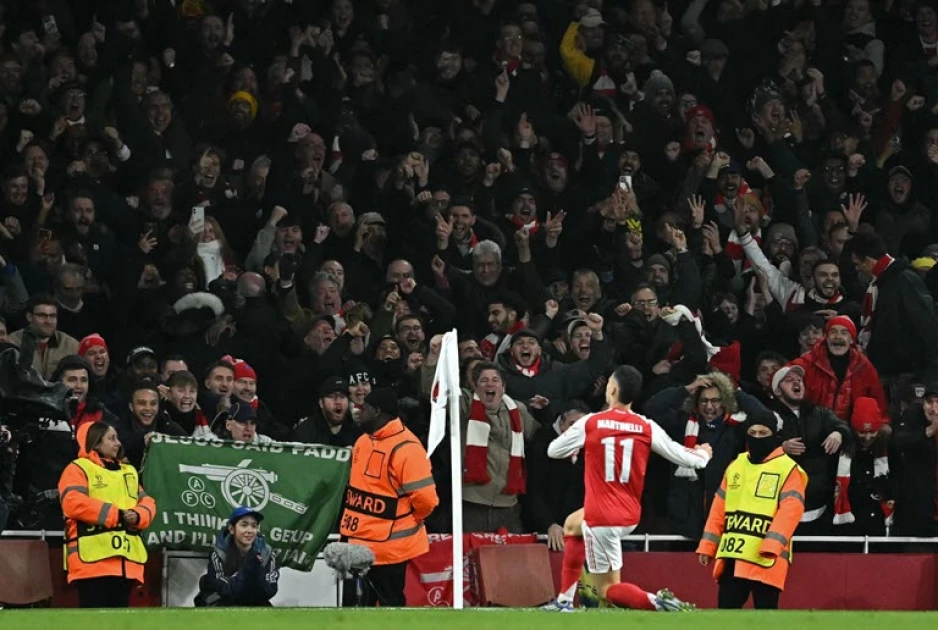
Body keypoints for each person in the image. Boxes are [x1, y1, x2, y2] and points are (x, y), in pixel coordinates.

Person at [542, 365, 713, 611]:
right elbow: (686, 458)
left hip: (601, 518)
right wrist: (703, 453)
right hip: (630, 514)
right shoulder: (646, 426)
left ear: (611, 389)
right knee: (571, 524)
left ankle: (657, 601)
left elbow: (553, 451)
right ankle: (564, 601)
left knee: (606, 591)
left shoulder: (592, 422)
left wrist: (584, 446)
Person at [696, 412, 807, 609]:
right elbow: (718, 509)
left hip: (765, 558)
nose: (756, 437)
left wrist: (772, 546)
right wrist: (707, 546)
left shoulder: (788, 469)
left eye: (763, 433)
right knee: (725, 619)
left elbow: (791, 511)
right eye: (752, 432)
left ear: (774, 435)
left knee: (765, 620)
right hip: (733, 556)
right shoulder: (736, 465)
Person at [339, 388, 439, 607]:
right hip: (357, 543)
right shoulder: (363, 441)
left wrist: (410, 519)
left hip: (389, 550)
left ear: (378, 412)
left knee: (390, 608)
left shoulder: (407, 448)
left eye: (363, 407)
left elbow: (427, 500)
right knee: (354, 610)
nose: (357, 410)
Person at [58, 422, 157, 607]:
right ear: (95, 443)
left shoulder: (129, 471)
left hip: (126, 563)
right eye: (111, 438)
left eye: (117, 438)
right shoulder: (78, 468)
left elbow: (148, 503)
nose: (118, 443)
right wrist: (116, 515)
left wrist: (137, 515)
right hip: (92, 563)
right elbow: (72, 503)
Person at [194, 506, 279, 607]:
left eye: (254, 526)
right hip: (226, 599)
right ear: (231, 529)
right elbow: (224, 589)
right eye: (244, 525)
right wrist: (249, 567)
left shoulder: (267, 552)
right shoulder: (219, 552)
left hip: (254, 598)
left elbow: (269, 590)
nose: (250, 531)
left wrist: (257, 571)